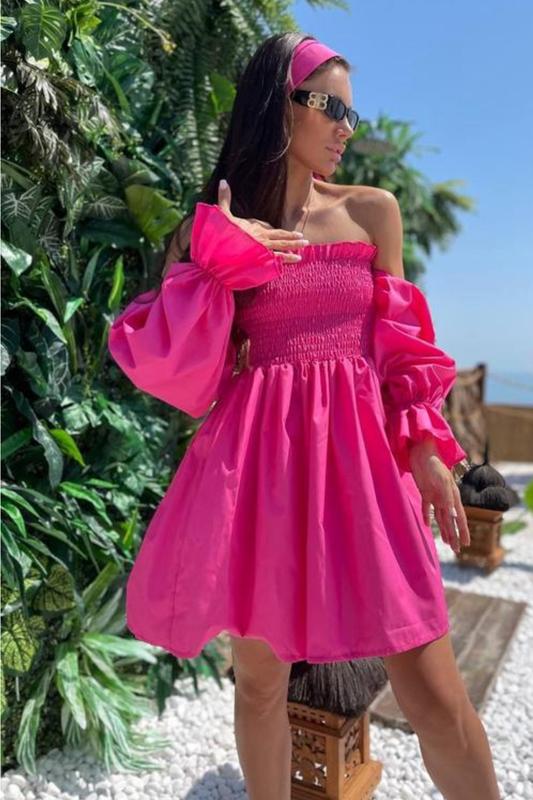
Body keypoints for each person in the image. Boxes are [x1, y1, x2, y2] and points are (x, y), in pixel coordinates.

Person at [107, 32, 501, 800]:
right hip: (259, 470)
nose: (347, 127)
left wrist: (425, 449)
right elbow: (168, 363)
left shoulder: (371, 212)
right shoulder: (214, 229)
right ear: (278, 104)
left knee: (431, 689)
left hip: (364, 467)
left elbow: (402, 345)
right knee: (260, 683)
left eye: (353, 113)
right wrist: (216, 264)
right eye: (333, 108)